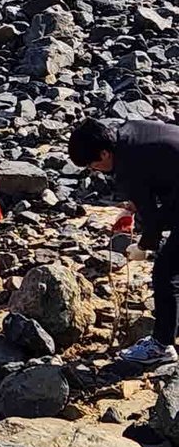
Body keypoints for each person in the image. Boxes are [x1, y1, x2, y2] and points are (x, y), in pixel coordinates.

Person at [68, 118, 179, 364]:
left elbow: (152, 222)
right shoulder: (129, 132)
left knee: (165, 273)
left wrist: (143, 247)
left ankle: (161, 347)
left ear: (104, 153)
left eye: (93, 164)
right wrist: (136, 203)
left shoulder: (129, 167)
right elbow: (160, 171)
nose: (95, 170)